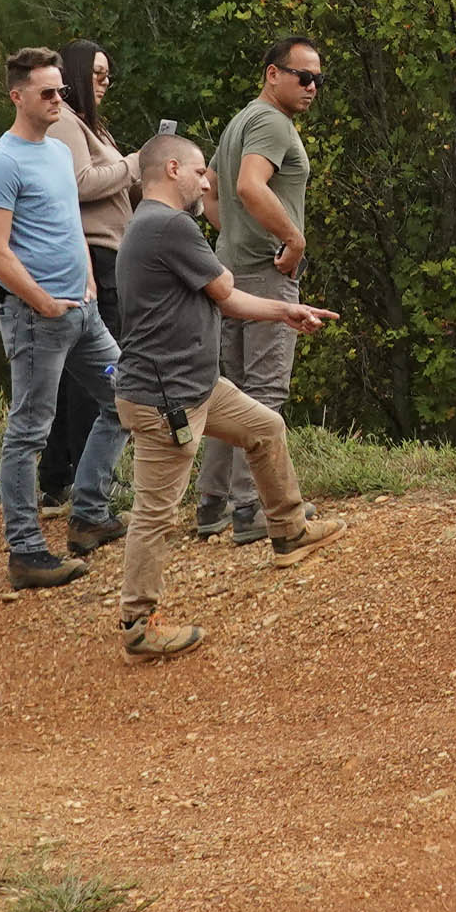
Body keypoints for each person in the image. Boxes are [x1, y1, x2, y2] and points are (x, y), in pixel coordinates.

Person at [112, 136, 348, 659]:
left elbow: (227, 298)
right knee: (156, 512)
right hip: (166, 398)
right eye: (199, 172)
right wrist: (276, 302)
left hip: (194, 384)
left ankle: (288, 531)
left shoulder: (146, 223)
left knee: (264, 428)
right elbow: (224, 285)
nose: (205, 182)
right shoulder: (170, 225)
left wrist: (286, 311)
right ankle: (136, 626)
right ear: (171, 169)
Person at [0, 47, 128, 589]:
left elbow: (70, 223)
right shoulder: (3, 163)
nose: (57, 100)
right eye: (47, 92)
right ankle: (25, 550)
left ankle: (89, 514)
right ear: (17, 96)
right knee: (29, 432)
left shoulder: (57, 153)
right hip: (37, 320)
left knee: (126, 399)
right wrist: (41, 301)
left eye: (60, 90)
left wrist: (87, 279)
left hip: (82, 313)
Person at [197, 36, 324, 543]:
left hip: (229, 273)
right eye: (303, 76)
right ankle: (252, 506)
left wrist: (230, 237)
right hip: (264, 275)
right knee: (265, 392)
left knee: (229, 394)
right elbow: (251, 186)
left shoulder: (241, 120)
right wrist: (292, 239)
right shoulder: (273, 122)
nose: (313, 87)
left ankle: (212, 503)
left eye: (318, 79)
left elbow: (207, 186)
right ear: (273, 74)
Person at [38, 39, 143, 514]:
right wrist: (135, 164)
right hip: (94, 256)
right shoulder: (64, 121)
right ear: (75, 75)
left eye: (108, 74)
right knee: (99, 371)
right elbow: (78, 185)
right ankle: (88, 477)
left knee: (77, 372)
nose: (104, 82)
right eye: (96, 74)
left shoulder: (88, 125)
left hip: (105, 252)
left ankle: (61, 477)